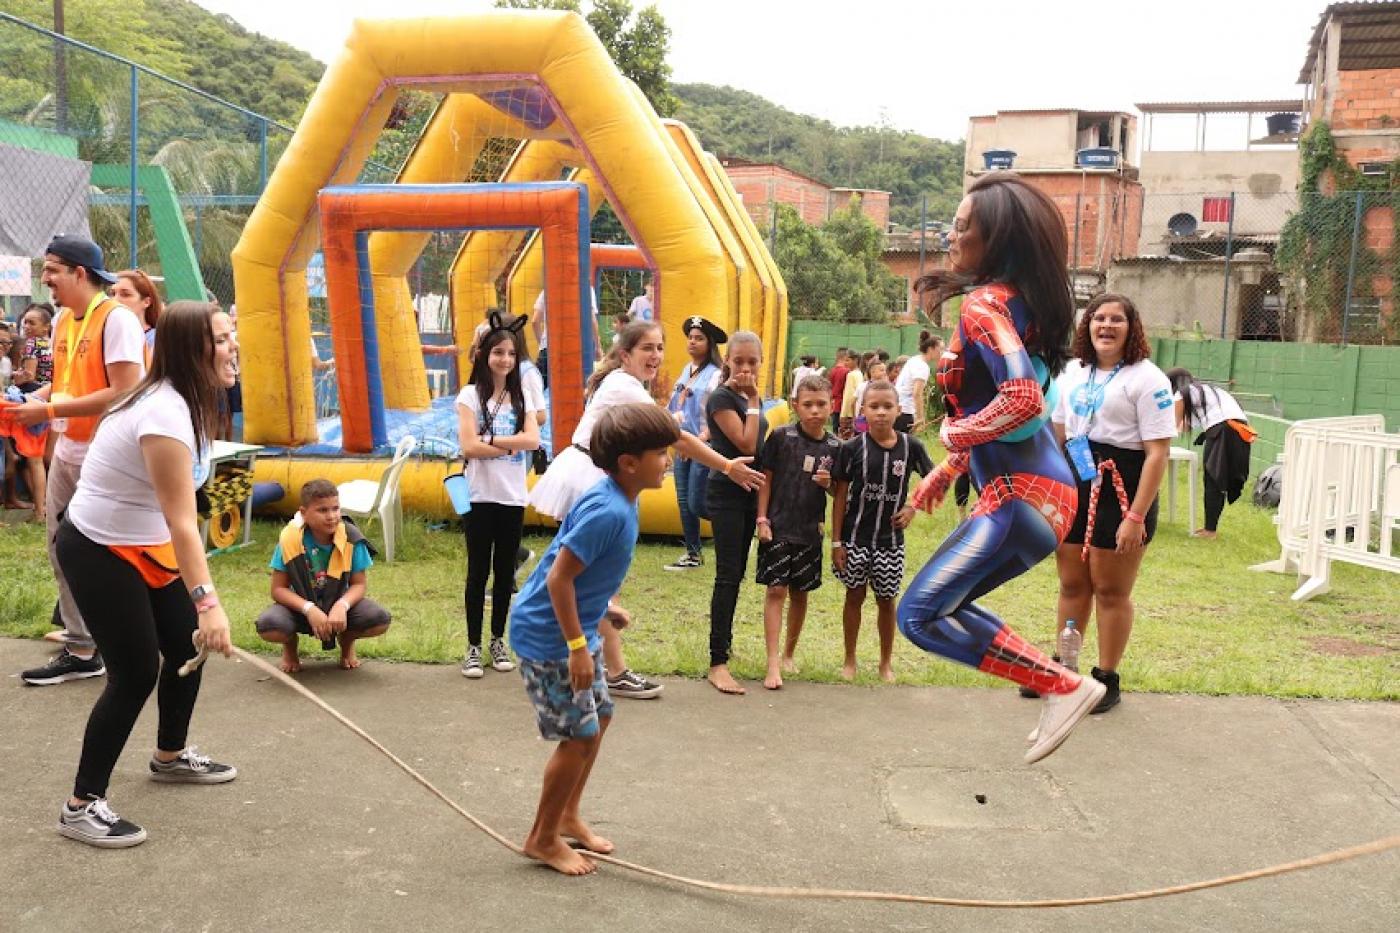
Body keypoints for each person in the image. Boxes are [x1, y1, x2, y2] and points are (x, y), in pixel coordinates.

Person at [897, 173, 1104, 765]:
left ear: (1000, 237)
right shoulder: (1020, 307)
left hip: (1018, 497)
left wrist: (951, 431)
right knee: (946, 606)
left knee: (918, 616)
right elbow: (1006, 409)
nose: (952, 234)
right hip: (1040, 499)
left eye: (964, 225)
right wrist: (946, 470)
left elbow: (1021, 401)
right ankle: (1059, 686)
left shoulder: (985, 304)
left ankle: (1063, 686)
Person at [50, 300, 238, 848]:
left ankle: (171, 755)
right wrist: (209, 602)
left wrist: (199, 611)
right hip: (98, 547)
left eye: (231, 336)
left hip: (143, 542)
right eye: (223, 339)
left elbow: (177, 516)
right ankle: (81, 805)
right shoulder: (164, 413)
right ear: (192, 349)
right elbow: (183, 522)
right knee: (133, 672)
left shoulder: (188, 401)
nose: (233, 348)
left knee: (186, 647)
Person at [529, 320, 763, 699]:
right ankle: (612, 669)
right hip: (588, 476)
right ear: (626, 354)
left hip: (593, 471)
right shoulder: (624, 385)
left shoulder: (626, 384)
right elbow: (675, 436)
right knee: (596, 577)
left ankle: (563, 648)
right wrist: (726, 466)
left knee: (577, 571)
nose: (655, 356)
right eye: (647, 349)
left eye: (659, 348)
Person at [509, 402, 679, 875]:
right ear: (629, 463)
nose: (668, 460)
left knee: (599, 717)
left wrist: (602, 607)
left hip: (572, 629)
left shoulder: (621, 496)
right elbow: (559, 580)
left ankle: (565, 816)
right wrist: (578, 648)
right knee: (579, 736)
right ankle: (541, 838)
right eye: (661, 453)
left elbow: (572, 571)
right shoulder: (608, 509)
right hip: (550, 639)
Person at [18, 236, 145, 685]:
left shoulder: (117, 320)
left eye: (52, 269)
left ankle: (131, 641)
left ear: (79, 272)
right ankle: (83, 648)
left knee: (110, 554)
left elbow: (126, 389)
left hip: (108, 454)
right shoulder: (61, 323)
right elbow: (66, 383)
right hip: (70, 450)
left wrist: (47, 410)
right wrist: (26, 400)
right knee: (62, 549)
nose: (45, 278)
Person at [1046, 293, 1174, 716]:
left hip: (1122, 489)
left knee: (1110, 589)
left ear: (1131, 327)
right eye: (1098, 318)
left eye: (1116, 319)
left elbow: (1157, 453)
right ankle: (1065, 670)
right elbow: (1058, 438)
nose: (1106, 325)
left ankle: (1106, 679)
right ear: (1087, 326)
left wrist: (1134, 517)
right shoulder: (1071, 372)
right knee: (1071, 584)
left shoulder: (1148, 378)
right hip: (1075, 484)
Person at [455, 313, 542, 678]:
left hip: (512, 498)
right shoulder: (469, 395)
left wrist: (490, 442)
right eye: (497, 353)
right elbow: (467, 446)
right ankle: (473, 646)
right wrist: (508, 446)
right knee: (477, 573)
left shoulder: (521, 398)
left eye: (510, 353)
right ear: (484, 355)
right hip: (478, 496)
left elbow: (533, 441)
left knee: (504, 575)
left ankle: (497, 640)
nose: (504, 359)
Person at [831, 379, 933, 682]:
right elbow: (839, 496)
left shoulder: (911, 447)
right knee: (854, 595)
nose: (880, 413)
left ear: (898, 410)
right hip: (855, 540)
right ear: (863, 410)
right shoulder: (851, 449)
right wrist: (837, 542)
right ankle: (850, 660)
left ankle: (885, 663)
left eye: (887, 407)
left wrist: (913, 507)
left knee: (886, 600)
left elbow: (934, 479)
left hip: (890, 544)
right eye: (873, 407)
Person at [754, 374, 839, 690]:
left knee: (800, 592)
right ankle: (772, 660)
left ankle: (789, 652)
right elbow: (766, 479)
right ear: (795, 406)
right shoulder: (780, 437)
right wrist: (762, 518)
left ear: (832, 406)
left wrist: (828, 485)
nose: (815, 411)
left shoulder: (835, 447)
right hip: (778, 526)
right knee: (776, 590)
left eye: (821, 404)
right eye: (808, 405)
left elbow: (839, 493)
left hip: (810, 531)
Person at [255, 479, 393, 673]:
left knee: (379, 619)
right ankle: (290, 647)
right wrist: (309, 609)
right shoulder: (290, 540)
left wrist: (342, 606)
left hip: (338, 607)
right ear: (304, 513)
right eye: (322, 510)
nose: (331, 516)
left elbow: (359, 585)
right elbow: (278, 589)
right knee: (270, 626)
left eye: (335, 509)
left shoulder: (351, 538)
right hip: (301, 609)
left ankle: (346, 641)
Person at [703, 331, 766, 695]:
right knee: (727, 576)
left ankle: (724, 645)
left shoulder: (746, 398)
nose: (744, 368)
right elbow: (746, 442)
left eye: (751, 362)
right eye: (738, 361)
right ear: (727, 361)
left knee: (737, 574)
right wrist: (755, 399)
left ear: (760, 362)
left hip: (749, 495)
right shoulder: (724, 397)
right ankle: (717, 662)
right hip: (726, 493)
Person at [1166, 367, 1256, 539]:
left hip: (1223, 430)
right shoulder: (1209, 391)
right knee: (1220, 481)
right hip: (1241, 430)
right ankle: (1210, 529)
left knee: (1214, 479)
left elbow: (1172, 427)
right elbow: (1184, 426)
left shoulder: (1182, 394)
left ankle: (1210, 531)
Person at [664, 315, 724, 571]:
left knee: (697, 502)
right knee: (683, 503)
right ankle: (692, 554)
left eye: (699, 339)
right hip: (682, 444)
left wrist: (697, 442)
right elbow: (675, 405)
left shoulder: (716, 374)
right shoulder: (686, 371)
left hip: (702, 445)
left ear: (709, 344)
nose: (692, 342)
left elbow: (718, 412)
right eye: (690, 338)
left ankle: (734, 527)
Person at [531, 287, 603, 389]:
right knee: (576, 390)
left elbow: (535, 321)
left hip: (550, 347)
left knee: (536, 387)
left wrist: (542, 345)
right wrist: (598, 346)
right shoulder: (585, 288)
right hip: (575, 349)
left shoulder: (548, 289)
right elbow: (591, 319)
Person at [895, 331, 942, 434]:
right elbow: (917, 393)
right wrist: (920, 418)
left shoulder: (914, 360)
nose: (941, 352)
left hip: (898, 408)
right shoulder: (922, 367)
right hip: (905, 412)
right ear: (931, 349)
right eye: (940, 349)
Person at [110, 269, 163, 357]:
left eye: (125, 294)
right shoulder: (108, 336)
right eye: (113, 294)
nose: (115, 300)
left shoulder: (156, 340)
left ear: (146, 302)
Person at [16, 302, 54, 393]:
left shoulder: (32, 343)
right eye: (25, 322)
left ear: (46, 327)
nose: (26, 326)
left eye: (32, 323)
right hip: (50, 390)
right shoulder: (52, 342)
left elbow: (29, 376)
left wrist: (15, 376)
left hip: (34, 391)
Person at [839, 351, 873, 439]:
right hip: (847, 412)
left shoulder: (855, 375)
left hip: (850, 413)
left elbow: (856, 396)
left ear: (855, 360)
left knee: (849, 436)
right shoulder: (852, 374)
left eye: (848, 360)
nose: (845, 363)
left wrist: (853, 414)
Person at [853, 358, 887, 434]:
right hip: (862, 419)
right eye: (881, 370)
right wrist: (854, 417)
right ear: (872, 372)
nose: (884, 373)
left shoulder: (885, 388)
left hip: (876, 420)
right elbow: (854, 402)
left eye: (885, 370)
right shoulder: (862, 386)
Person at [827, 347, 851, 434]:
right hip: (843, 404)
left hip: (833, 403)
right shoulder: (847, 371)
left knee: (835, 428)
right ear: (846, 358)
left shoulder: (832, 371)